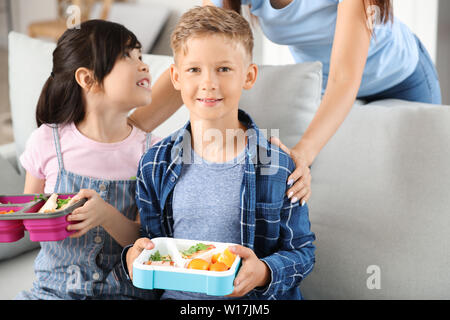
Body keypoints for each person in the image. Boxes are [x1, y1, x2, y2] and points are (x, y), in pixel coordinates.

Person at [127, 0, 442, 210]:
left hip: (402, 78)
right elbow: (195, 54)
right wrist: (130, 130)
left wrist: (304, 151)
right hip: (325, 86)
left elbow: (346, 78)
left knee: (420, 189)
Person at [123, 6, 316, 300]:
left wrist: (263, 272)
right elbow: (148, 241)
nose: (209, 83)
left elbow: (303, 252)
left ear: (248, 76)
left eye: (223, 69)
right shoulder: (154, 163)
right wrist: (132, 257)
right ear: (176, 77)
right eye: (194, 70)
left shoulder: (278, 166)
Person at [16, 20, 160, 300]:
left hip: (125, 294)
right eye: (127, 56)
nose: (143, 64)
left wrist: (106, 216)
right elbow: (28, 218)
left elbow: (145, 240)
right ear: (87, 79)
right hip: (52, 292)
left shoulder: (150, 150)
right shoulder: (47, 141)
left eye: (141, 55)